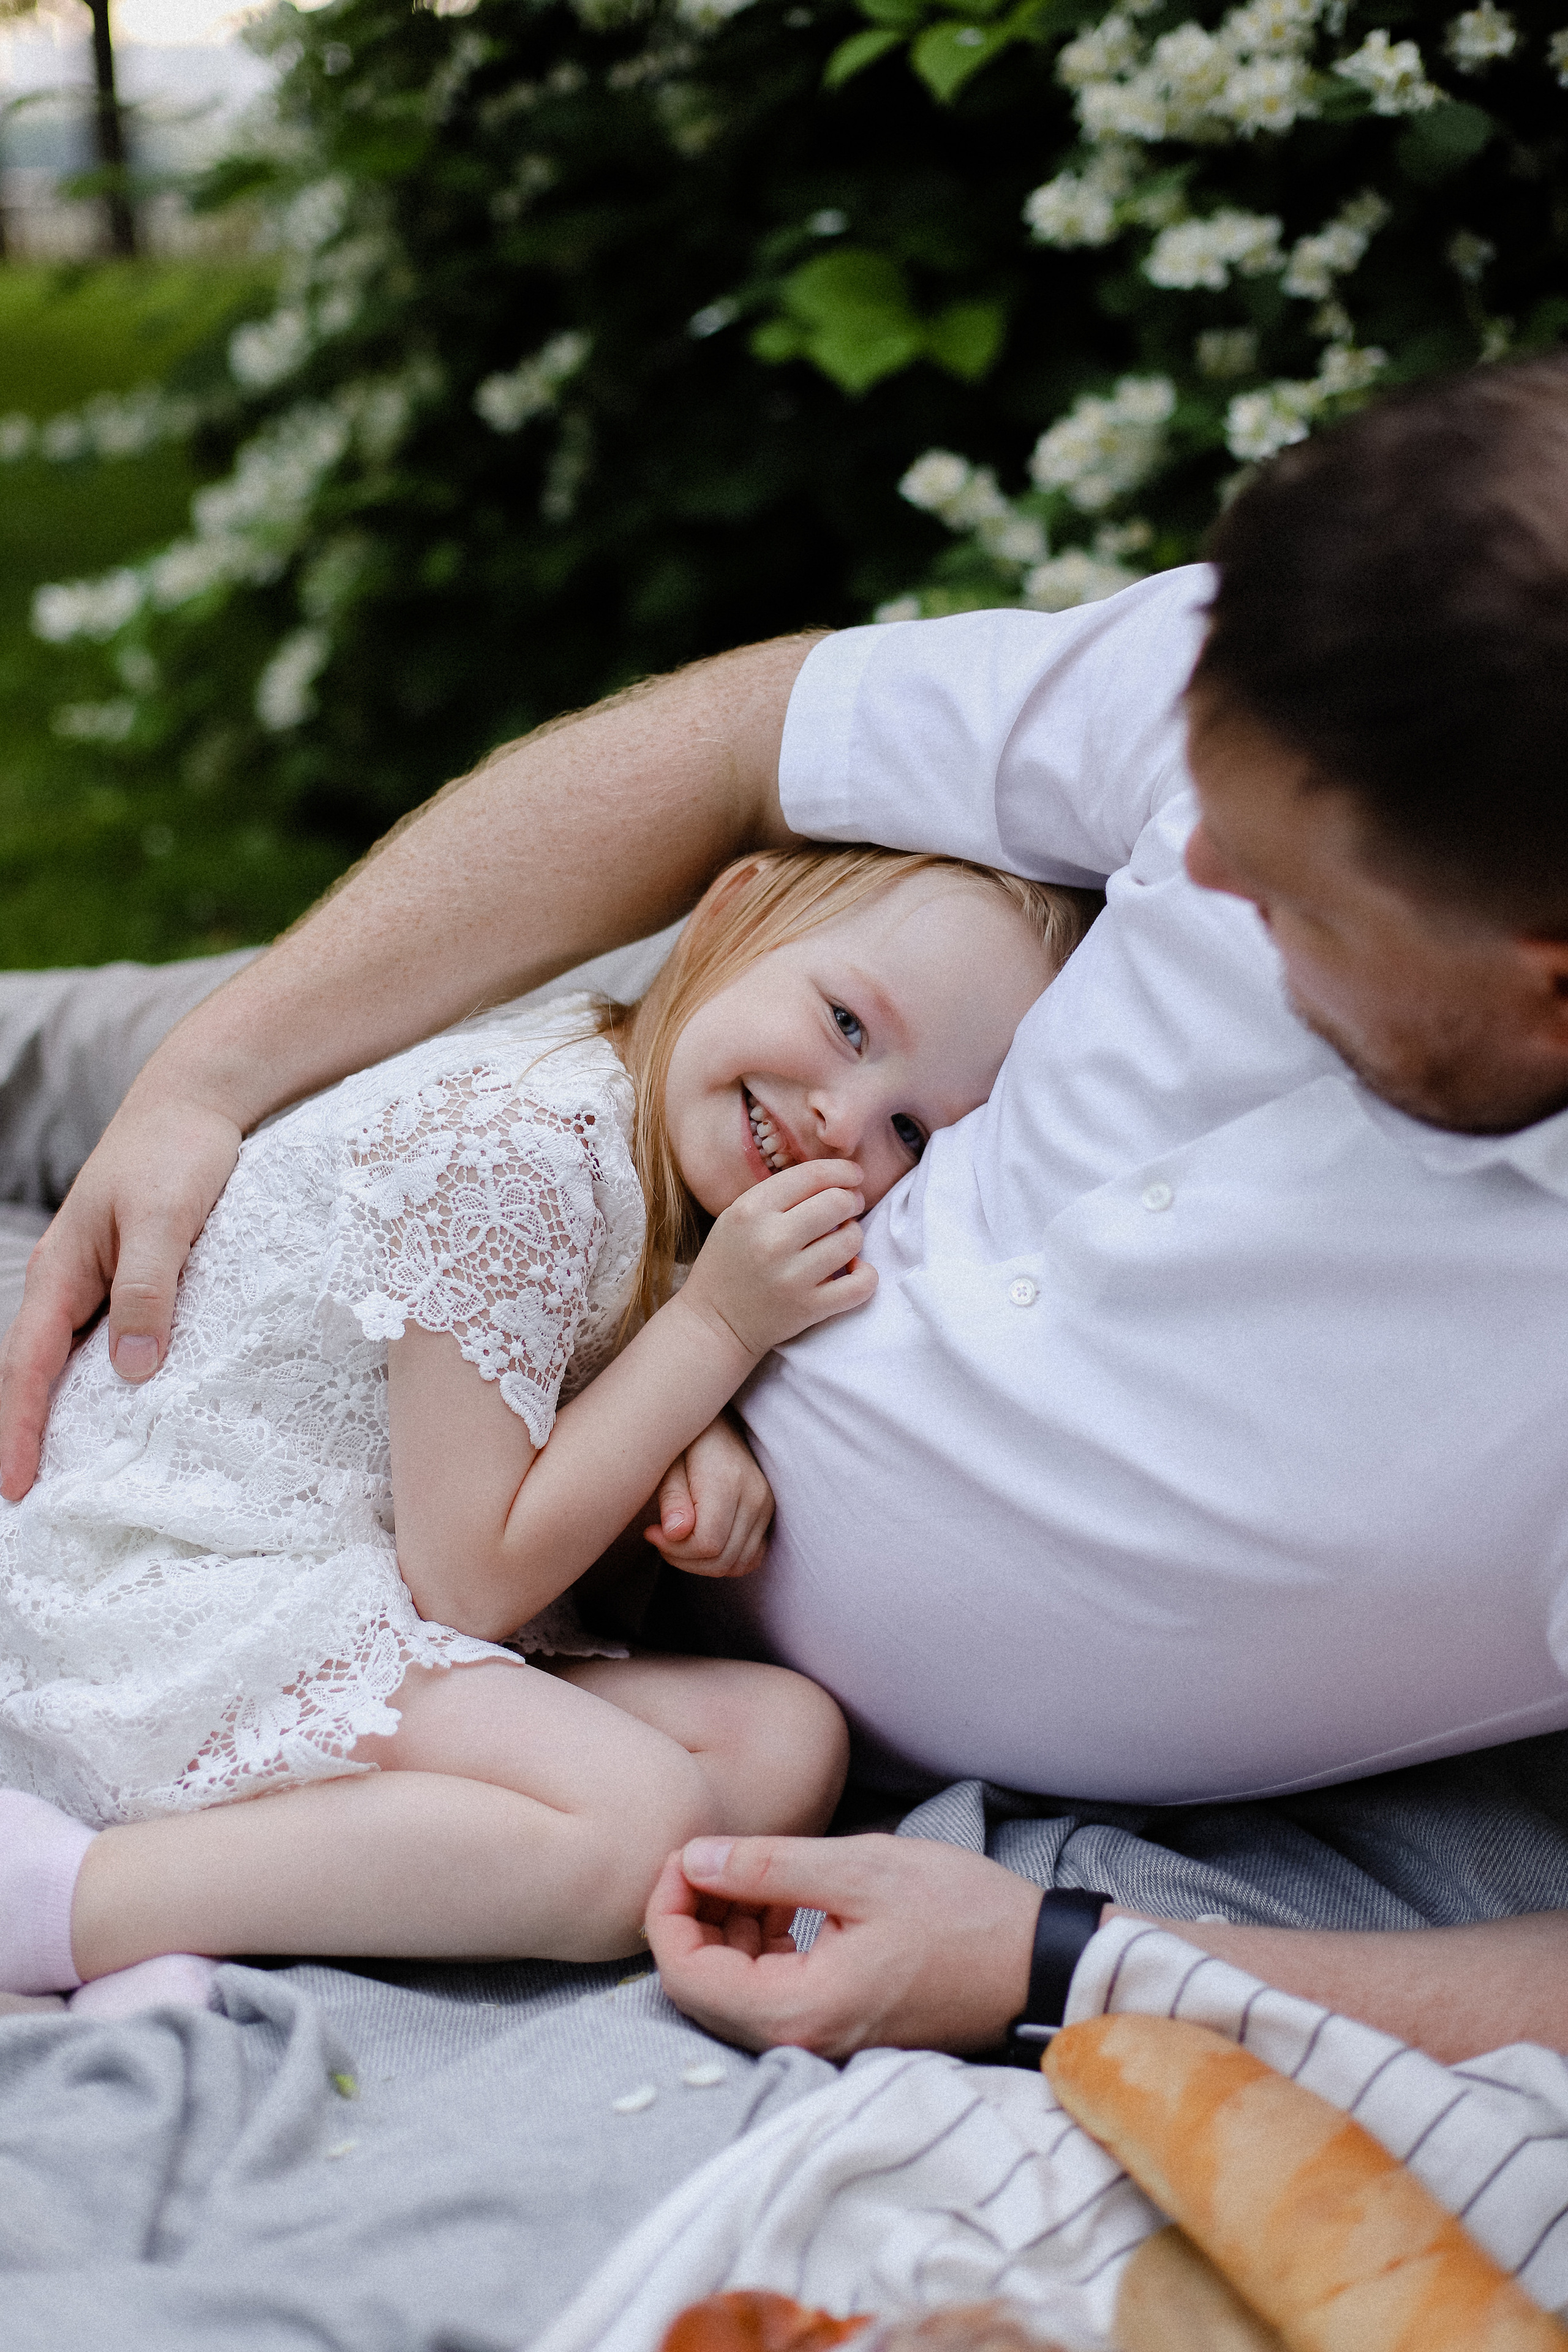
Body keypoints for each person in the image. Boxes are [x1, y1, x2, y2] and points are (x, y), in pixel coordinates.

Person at [4, 352, 1568, 2062]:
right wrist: (216, 1079)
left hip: (605, 1357)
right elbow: (740, 740)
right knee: (103, 1072)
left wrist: (1065, 1959)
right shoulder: (1351, 658)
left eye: (1282, 901)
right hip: (652, 1088)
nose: (1191, 870)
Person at [0, 846, 1080, 1998]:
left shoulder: (624, 1110)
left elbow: (527, 1357)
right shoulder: (519, 1144)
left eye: (912, 1132)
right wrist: (714, 1336)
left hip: (324, 1576)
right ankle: (77, 1902)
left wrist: (678, 1419)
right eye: (848, 1025)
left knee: (784, 1745)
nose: (842, 1116)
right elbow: (468, 1585)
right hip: (168, 1591)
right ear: (735, 908)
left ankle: (236, 1885)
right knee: (638, 1818)